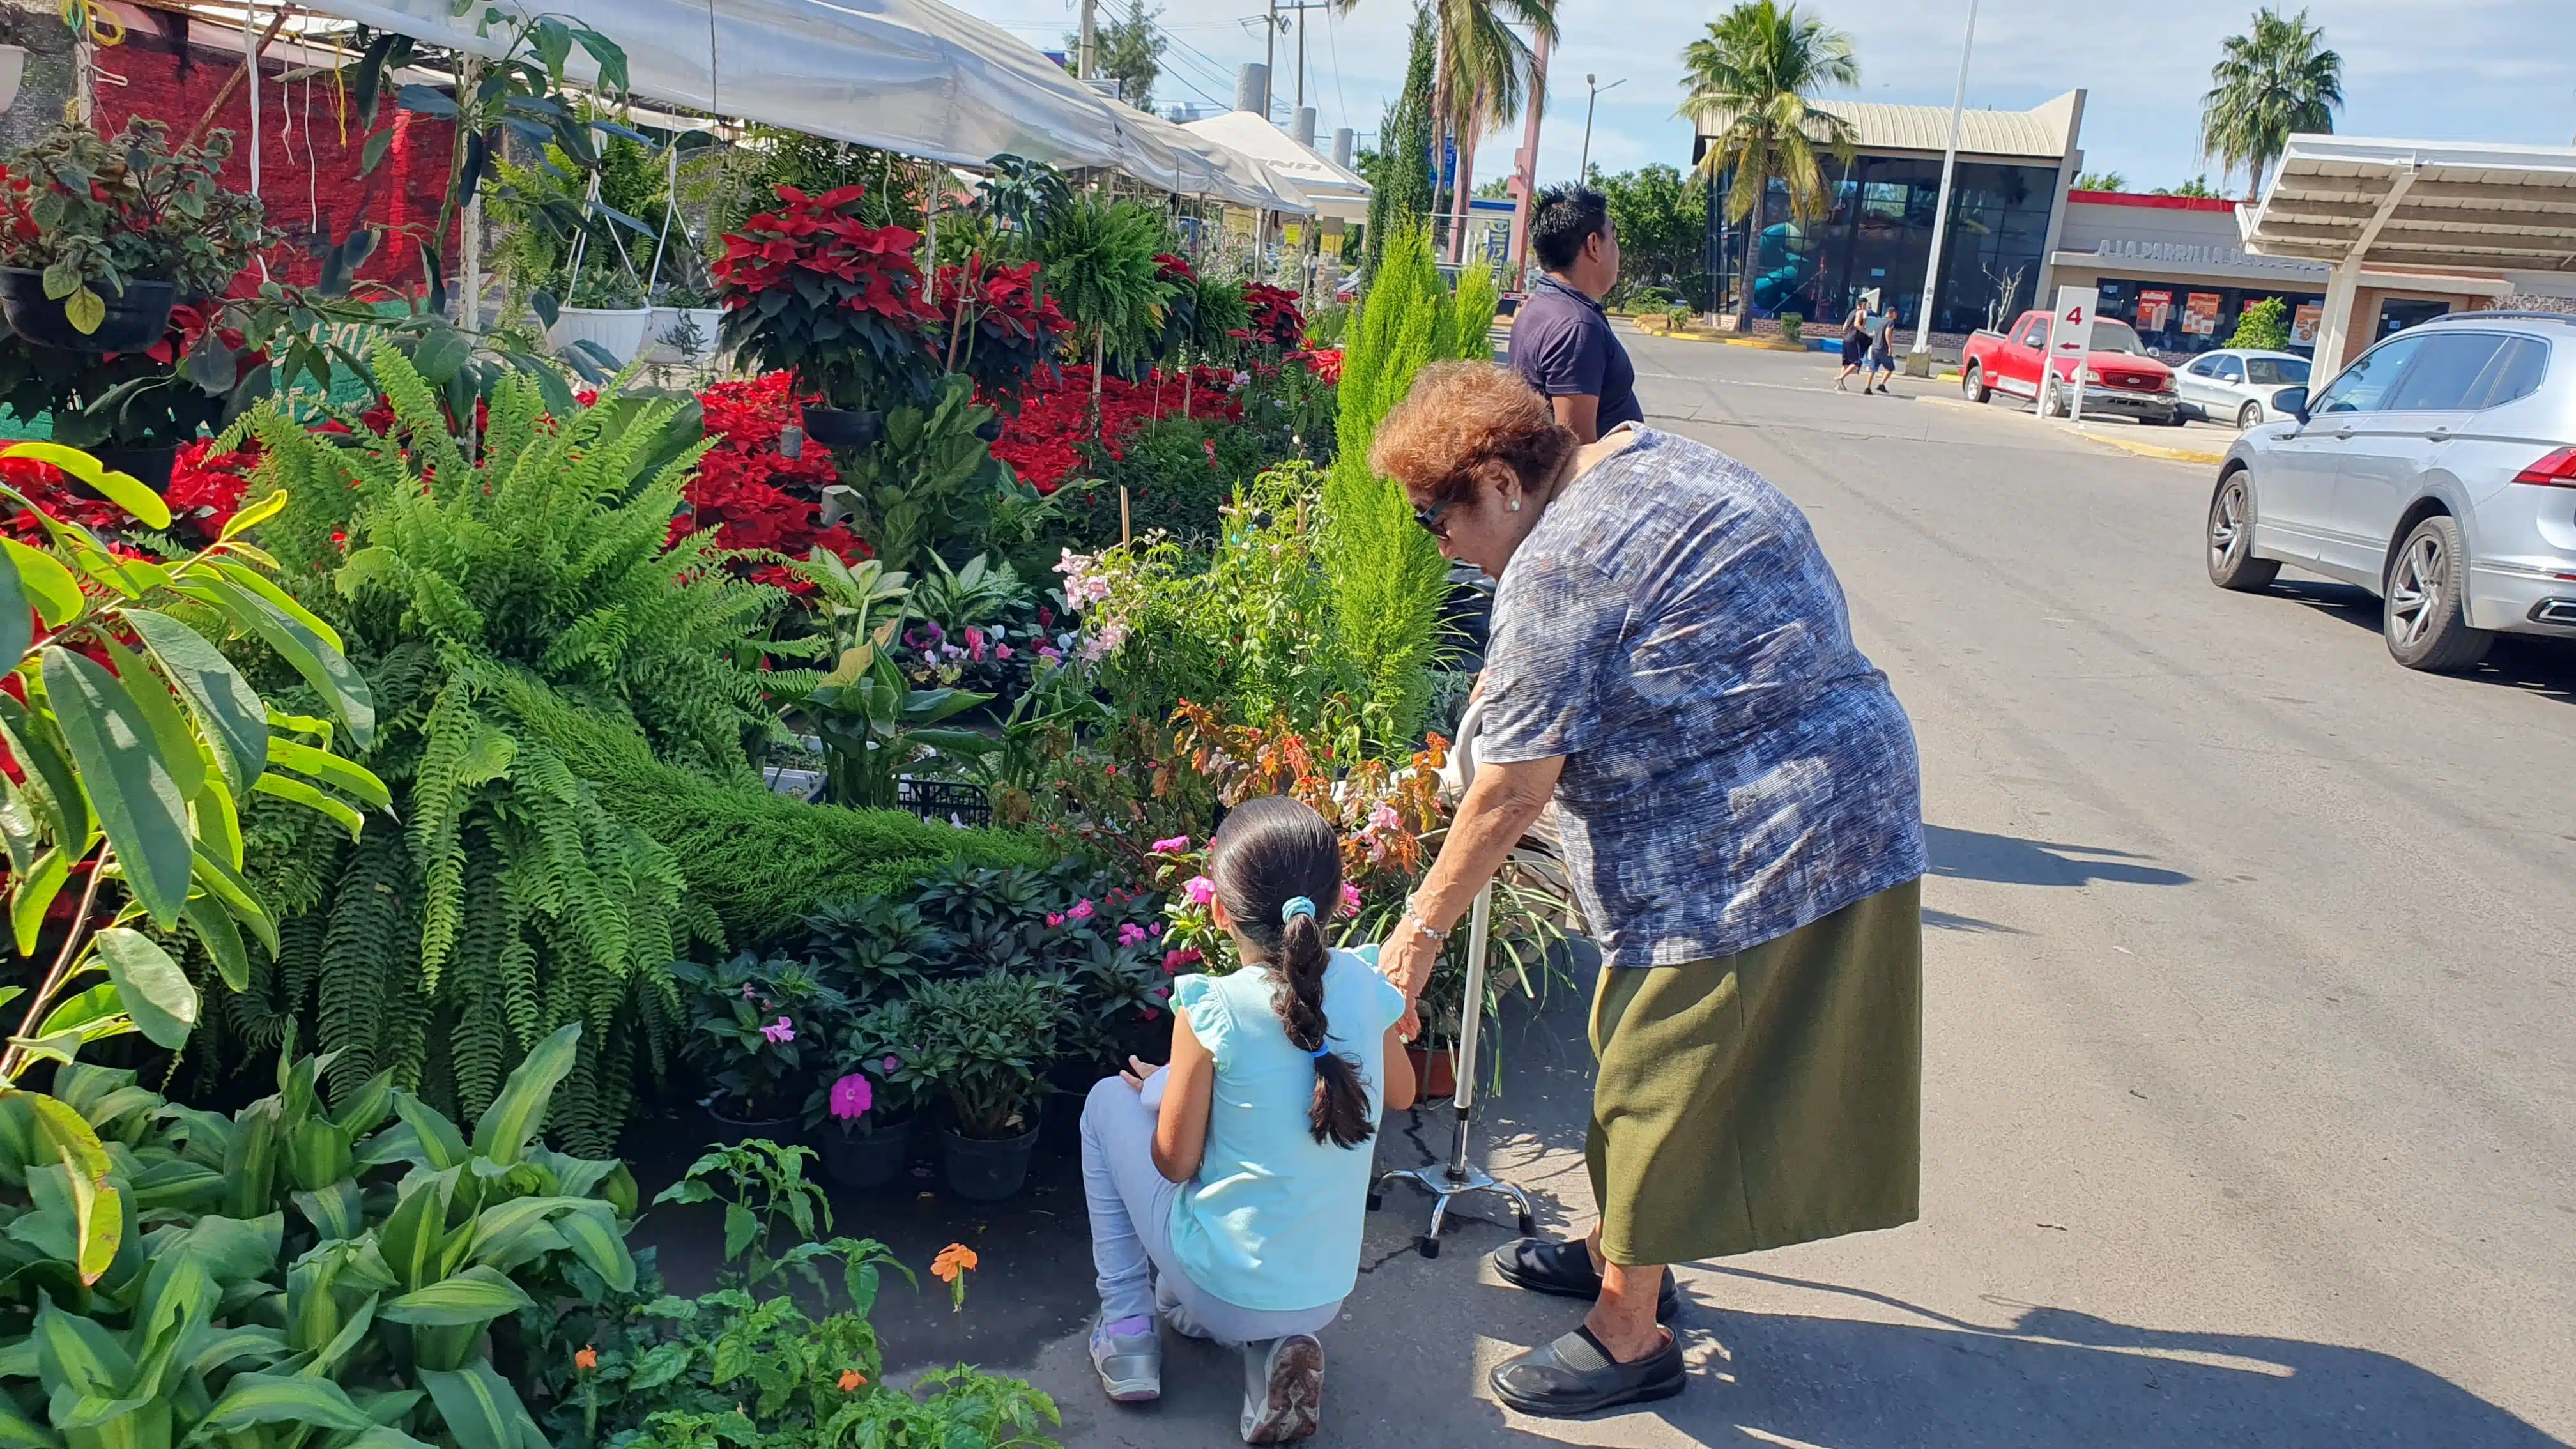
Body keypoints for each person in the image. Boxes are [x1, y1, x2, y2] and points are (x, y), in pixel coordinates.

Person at [1368, 362, 1926, 1418]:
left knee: (1658, 1070)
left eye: (1433, 518)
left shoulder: (1559, 562)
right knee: (1641, 1049)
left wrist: (1416, 933)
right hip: (1816, 777)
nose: (1438, 543)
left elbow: (1509, 792)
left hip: (1764, 824)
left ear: (1496, 479)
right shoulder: (1635, 460)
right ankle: (1624, 1247)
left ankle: (1630, 1331)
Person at [1080, 796, 1417, 1444]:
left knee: (1103, 1104)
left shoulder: (1213, 1009)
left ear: (1217, 911)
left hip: (1227, 1284)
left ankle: (1126, 1332)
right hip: (1325, 1291)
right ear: (1338, 899)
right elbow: (1400, 1093)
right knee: (1221, 1284)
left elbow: (1173, 1163)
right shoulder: (1364, 984)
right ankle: (1271, 1356)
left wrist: (1168, 1090)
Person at [1506, 184, 1641, 443]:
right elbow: (1576, 449)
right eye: (1612, 237)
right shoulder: (1576, 327)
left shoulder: (1540, 303)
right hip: (1599, 481)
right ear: (1594, 245)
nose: (1617, 248)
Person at [1835, 301, 1871, 391]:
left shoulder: (1851, 313)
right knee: (1857, 363)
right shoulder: (1861, 312)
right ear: (1863, 305)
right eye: (1867, 305)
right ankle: (1840, 378)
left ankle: (1840, 384)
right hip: (1854, 340)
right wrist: (1868, 333)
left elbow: (1844, 328)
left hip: (1846, 339)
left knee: (1846, 363)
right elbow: (1857, 325)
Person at [1866, 301, 1899, 394]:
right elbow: (1888, 333)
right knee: (1890, 368)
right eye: (1896, 314)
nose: (1896, 316)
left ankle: (1867, 388)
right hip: (1883, 348)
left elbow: (1874, 332)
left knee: (1873, 368)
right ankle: (1881, 384)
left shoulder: (1880, 320)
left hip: (1875, 347)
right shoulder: (1890, 322)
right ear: (1893, 313)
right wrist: (1890, 347)